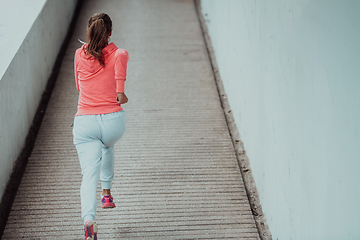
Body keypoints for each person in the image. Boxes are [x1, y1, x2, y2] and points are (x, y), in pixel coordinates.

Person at [72, 12, 129, 240]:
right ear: (110, 33)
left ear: (89, 31)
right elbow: (120, 92)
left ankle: (89, 221)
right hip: (113, 122)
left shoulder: (78, 54)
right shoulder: (120, 54)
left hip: (85, 122)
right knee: (107, 145)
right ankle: (107, 193)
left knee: (88, 174)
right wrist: (121, 95)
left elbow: (79, 87)